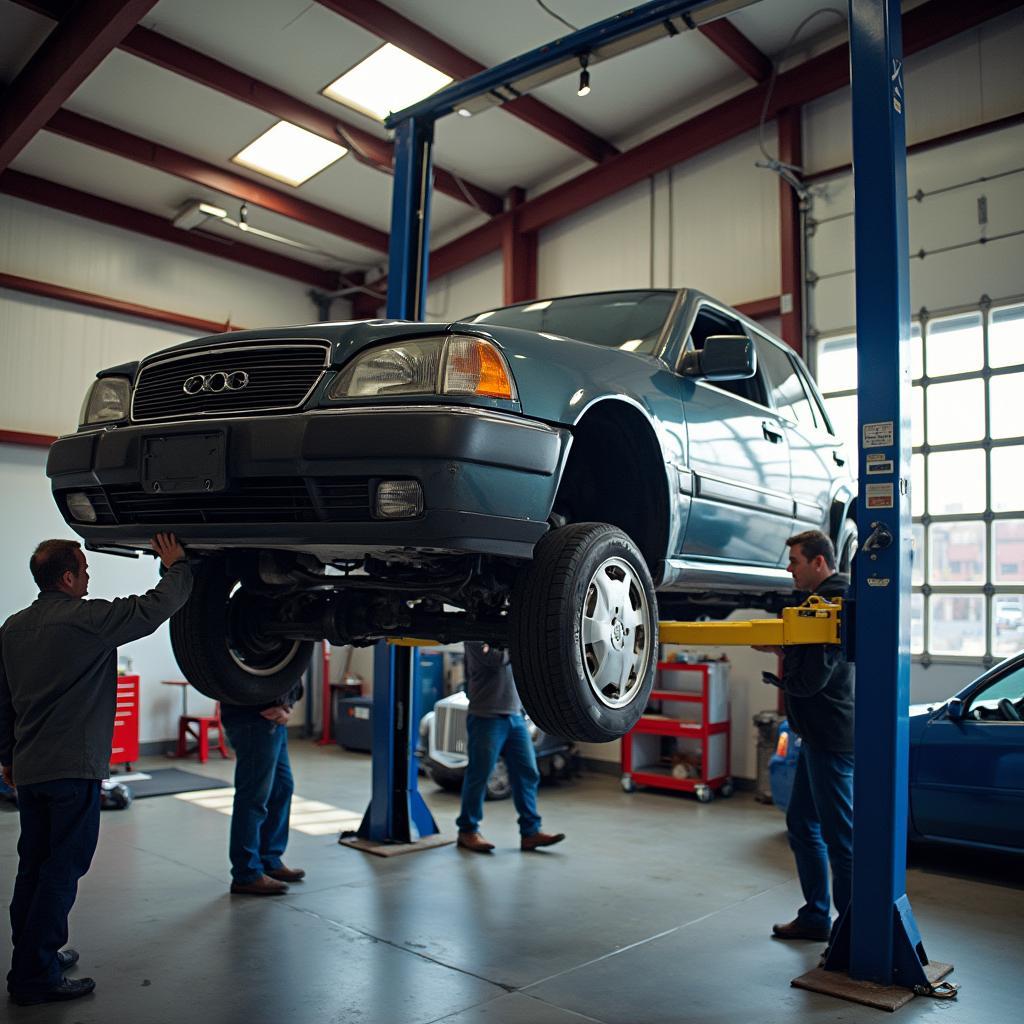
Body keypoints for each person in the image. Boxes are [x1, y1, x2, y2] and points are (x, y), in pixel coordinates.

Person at [0, 533, 192, 1007]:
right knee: (62, 868)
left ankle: (31, 956)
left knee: (35, 864)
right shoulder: (86, 621)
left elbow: (2, 703)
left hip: (31, 768)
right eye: (83, 570)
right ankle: (35, 976)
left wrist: (7, 758)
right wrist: (176, 566)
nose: (89, 577)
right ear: (66, 577)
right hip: (72, 769)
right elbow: (154, 608)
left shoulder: (13, 628)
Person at [754, 529, 853, 945]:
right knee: (803, 822)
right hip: (818, 733)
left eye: (794, 561)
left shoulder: (828, 604)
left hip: (830, 735)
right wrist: (785, 649)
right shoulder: (823, 601)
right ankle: (816, 916)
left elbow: (812, 680)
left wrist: (783, 651)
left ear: (819, 562)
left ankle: (850, 931)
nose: (789, 569)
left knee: (840, 837)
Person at [456, 642, 565, 853]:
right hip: (486, 716)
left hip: (515, 716)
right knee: (480, 774)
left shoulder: (507, 633)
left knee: (528, 772)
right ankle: (467, 831)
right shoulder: (474, 634)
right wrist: (523, 640)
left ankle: (530, 832)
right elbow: (494, 660)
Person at [220, 681, 305, 895]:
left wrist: (286, 705)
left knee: (282, 787)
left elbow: (291, 672)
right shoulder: (237, 647)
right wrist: (280, 705)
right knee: (254, 795)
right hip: (254, 717)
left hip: (275, 715)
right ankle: (246, 873)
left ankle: (269, 859)